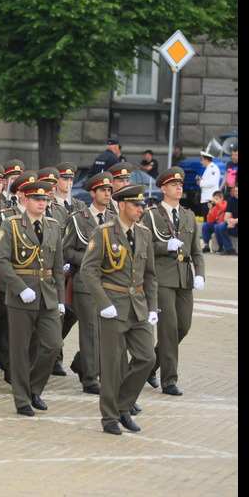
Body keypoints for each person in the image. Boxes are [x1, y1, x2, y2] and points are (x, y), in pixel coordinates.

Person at [79, 183, 158, 435]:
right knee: (113, 365)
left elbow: (150, 275)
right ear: (121, 205)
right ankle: (110, 416)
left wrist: (153, 307)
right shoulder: (104, 233)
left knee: (148, 358)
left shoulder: (144, 233)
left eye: (142, 205)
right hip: (113, 305)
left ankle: (123, 406)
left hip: (138, 307)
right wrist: (103, 303)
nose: (140, 209)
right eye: (135, 204)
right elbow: (88, 270)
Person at [0, 180, 65, 417]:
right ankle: (22, 399)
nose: (42, 203)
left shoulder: (54, 226)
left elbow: (57, 266)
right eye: (37, 199)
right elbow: (2, 261)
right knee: (21, 350)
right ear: (26, 200)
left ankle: (34, 388)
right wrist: (19, 287)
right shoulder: (12, 225)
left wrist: (61, 299)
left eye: (45, 200)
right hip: (22, 296)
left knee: (53, 344)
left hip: (48, 295)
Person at [142, 166, 205, 397]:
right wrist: (163, 246)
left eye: (181, 184)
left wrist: (200, 273)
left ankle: (148, 366)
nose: (179, 187)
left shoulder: (188, 214)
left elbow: (197, 250)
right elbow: (143, 245)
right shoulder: (151, 215)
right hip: (162, 278)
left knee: (183, 326)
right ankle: (169, 380)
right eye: (174, 184)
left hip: (184, 278)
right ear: (164, 188)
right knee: (168, 329)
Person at [63, 172, 115, 395]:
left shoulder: (115, 217)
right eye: (102, 190)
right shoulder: (78, 218)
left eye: (109, 190)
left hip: (111, 282)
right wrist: (90, 260)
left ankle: (85, 364)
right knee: (91, 331)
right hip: (85, 282)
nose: (107, 194)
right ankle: (90, 377)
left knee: (108, 330)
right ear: (92, 193)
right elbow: (67, 250)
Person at [213, 184, 238, 255]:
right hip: (233, 225)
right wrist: (230, 222)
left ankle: (229, 248)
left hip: (236, 222)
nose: (237, 193)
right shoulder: (231, 200)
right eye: (235, 191)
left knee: (220, 226)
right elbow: (226, 217)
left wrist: (235, 221)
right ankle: (225, 248)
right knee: (218, 226)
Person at [195, 151, 221, 217]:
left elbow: (212, 182)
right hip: (206, 198)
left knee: (208, 218)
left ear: (206, 160)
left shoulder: (213, 169)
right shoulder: (208, 168)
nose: (201, 162)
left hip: (210, 198)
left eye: (202, 160)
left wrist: (201, 182)